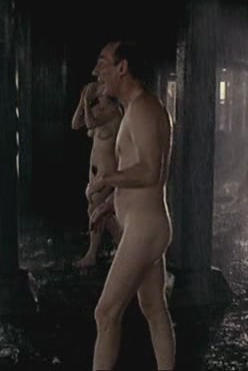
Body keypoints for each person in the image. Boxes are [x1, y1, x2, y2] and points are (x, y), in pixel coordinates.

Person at [87, 40, 175, 370]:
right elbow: (139, 173)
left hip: (145, 229)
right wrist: (109, 204)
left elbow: (151, 171)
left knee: (105, 313)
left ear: (122, 67)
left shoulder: (143, 109)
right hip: (146, 225)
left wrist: (106, 178)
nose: (97, 72)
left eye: (103, 63)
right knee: (154, 308)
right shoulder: (136, 109)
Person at [71, 81, 123, 268]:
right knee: (98, 212)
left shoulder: (113, 111)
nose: (98, 86)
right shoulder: (97, 110)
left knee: (97, 211)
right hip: (95, 170)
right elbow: (76, 124)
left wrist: (86, 101)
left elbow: (91, 123)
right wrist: (82, 101)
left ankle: (92, 255)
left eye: (102, 84)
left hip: (107, 170)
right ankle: (124, 246)